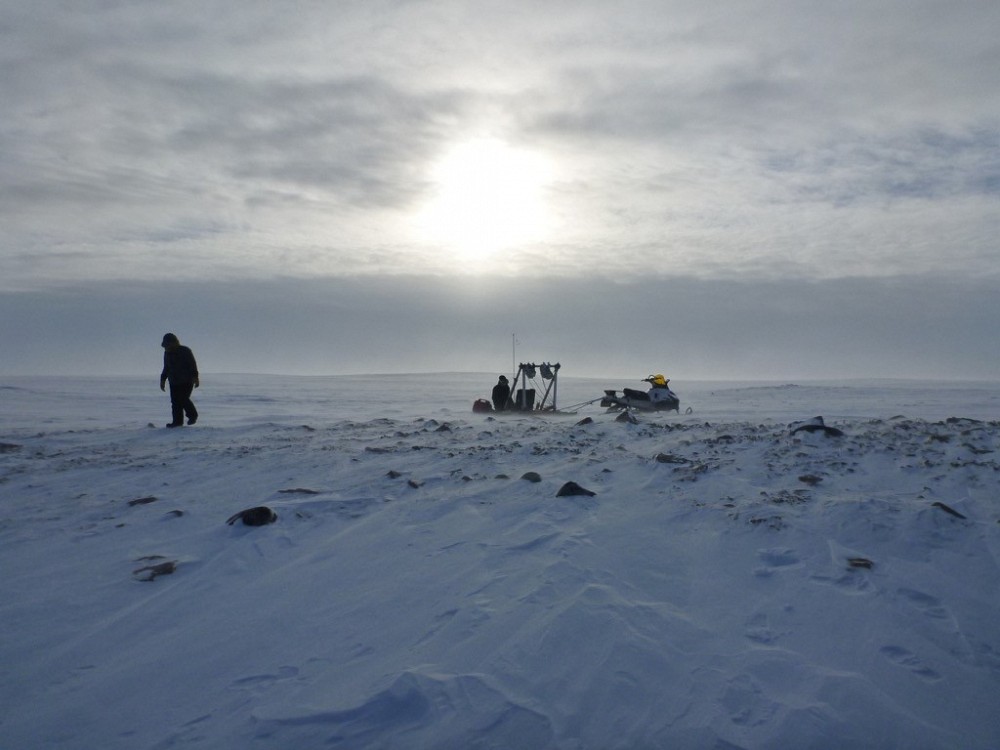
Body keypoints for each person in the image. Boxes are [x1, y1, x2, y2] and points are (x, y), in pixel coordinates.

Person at [159, 333, 199, 428]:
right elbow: (166, 367)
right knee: (175, 402)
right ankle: (177, 422)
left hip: (186, 380)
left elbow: (192, 365)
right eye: (165, 346)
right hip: (174, 381)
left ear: (174, 342)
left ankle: (193, 415)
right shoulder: (166, 353)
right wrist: (163, 380)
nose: (167, 348)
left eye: (168, 345)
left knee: (183, 398)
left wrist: (195, 377)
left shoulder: (185, 351)